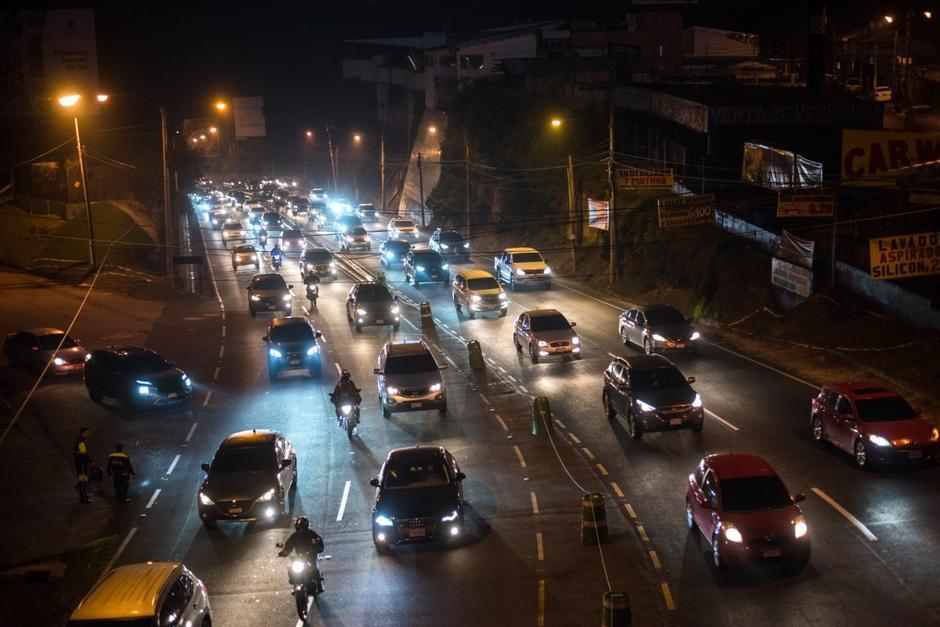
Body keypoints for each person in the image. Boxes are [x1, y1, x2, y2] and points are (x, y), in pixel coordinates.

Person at [278, 516, 324, 593]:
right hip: (299, 557)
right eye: (300, 527)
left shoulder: (312, 534)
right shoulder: (294, 536)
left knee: (314, 568)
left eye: (303, 527)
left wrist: (317, 548)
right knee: (292, 569)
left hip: (311, 556)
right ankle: (295, 583)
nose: (302, 529)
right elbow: (289, 545)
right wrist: (284, 552)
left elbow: (320, 543)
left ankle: (319, 584)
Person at [73, 427, 94, 504]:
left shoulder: (80, 440)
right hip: (81, 463)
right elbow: (84, 454)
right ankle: (83, 499)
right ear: (83, 433)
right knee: (82, 480)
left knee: (84, 480)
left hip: (80, 463)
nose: (88, 434)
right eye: (87, 432)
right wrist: (91, 462)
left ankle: (85, 494)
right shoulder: (81, 442)